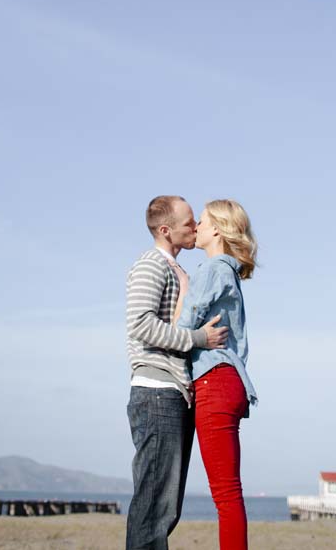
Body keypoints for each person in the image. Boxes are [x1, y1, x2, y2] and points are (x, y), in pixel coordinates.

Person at [125, 195, 228, 550]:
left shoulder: (179, 270)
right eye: (189, 223)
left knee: (166, 508)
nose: (196, 228)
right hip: (156, 391)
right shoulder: (151, 264)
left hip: (174, 392)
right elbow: (140, 324)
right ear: (166, 231)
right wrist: (198, 338)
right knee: (154, 505)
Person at [176, 199, 258, 550]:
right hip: (228, 382)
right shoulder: (227, 272)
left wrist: (182, 284)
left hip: (214, 381)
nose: (195, 227)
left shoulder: (212, 270)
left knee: (225, 496)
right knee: (229, 494)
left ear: (217, 230)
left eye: (203, 221)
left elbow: (183, 326)